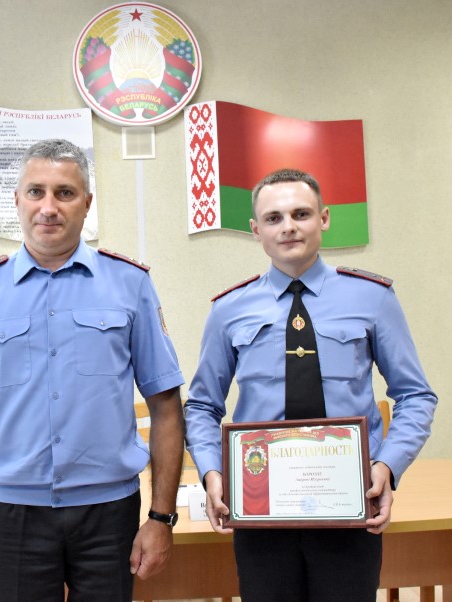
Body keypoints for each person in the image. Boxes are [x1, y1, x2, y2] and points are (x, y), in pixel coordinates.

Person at [0, 139, 185, 602]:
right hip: (14, 515)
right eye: (36, 192)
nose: (49, 207)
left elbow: (166, 406)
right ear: (17, 201)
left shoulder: (130, 284)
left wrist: (161, 518)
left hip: (109, 512)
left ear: (87, 203)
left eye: (65, 193)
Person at [184, 168, 438, 601]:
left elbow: (416, 396)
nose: (288, 227)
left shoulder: (372, 298)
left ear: (324, 218)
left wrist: (387, 466)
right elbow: (202, 406)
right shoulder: (229, 309)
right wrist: (212, 472)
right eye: (274, 218)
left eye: (300, 214)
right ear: (256, 230)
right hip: (260, 506)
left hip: (349, 504)